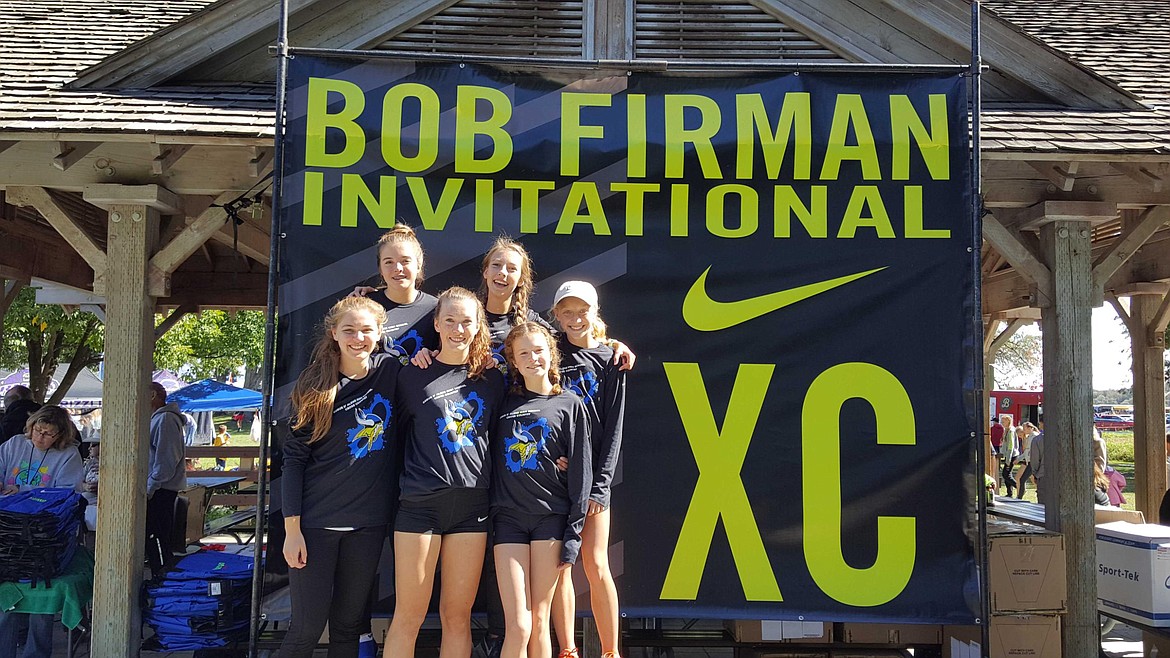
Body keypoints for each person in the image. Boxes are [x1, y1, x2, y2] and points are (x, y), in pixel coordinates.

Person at [276, 296, 400, 658]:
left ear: (379, 334)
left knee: (348, 628)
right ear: (333, 333)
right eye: (349, 330)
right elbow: (293, 461)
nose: (358, 338)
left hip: (369, 527)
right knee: (306, 630)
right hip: (315, 528)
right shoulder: (313, 386)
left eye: (366, 330)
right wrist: (292, 531)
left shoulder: (390, 371)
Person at [386, 287, 506, 658]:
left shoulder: (494, 379)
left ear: (478, 326)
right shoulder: (410, 375)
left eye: (466, 321)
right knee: (409, 616)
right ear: (436, 323)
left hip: (472, 509)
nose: (458, 328)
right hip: (419, 507)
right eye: (449, 320)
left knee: (457, 616)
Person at [493, 323, 591, 658]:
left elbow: (581, 475)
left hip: (550, 520)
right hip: (508, 521)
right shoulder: (502, 403)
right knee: (518, 625)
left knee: (539, 622)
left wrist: (574, 535)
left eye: (538, 350)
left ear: (551, 354)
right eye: (523, 353)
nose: (533, 358)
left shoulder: (570, 404)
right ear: (514, 362)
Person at [549, 281, 627, 658]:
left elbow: (614, 430)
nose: (575, 318)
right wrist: (553, 457)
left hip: (594, 481)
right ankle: (567, 649)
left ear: (595, 313)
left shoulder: (612, 359)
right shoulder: (547, 351)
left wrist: (600, 485)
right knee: (561, 564)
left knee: (596, 564)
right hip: (556, 478)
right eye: (567, 311)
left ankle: (611, 652)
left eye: (583, 311)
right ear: (556, 315)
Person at [0, 405, 84, 658]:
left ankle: (35, 652)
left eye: (48, 434)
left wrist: (24, 492)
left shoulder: (69, 454)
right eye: (38, 430)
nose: (41, 438)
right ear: (30, 427)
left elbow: (67, 493)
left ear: (60, 435)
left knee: (42, 593)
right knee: (7, 592)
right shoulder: (14, 444)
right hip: (10, 529)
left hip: (46, 533)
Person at [146, 382, 187, 574]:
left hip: (161, 489)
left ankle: (162, 577)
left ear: (153, 395)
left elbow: (167, 459)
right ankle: (159, 574)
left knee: (158, 536)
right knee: (154, 536)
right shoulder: (157, 419)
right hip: (157, 487)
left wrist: (150, 486)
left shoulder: (166, 420)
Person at [1013, 422, 1038, 499]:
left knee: (1023, 479)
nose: (1023, 430)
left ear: (1030, 428)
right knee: (1031, 479)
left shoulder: (1034, 436)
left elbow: (1032, 450)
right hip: (1029, 461)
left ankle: (1019, 497)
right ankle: (1020, 496)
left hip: (1033, 462)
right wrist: (1019, 459)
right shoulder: (1029, 436)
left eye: (1024, 428)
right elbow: (1027, 451)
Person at [999, 415, 1019, 497]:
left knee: (1005, 474)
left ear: (1008, 421)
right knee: (1007, 474)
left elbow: (1011, 446)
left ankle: (1018, 487)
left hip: (1011, 455)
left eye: (1003, 421)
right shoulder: (1006, 430)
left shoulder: (1011, 431)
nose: (1002, 423)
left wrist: (1008, 460)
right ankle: (1009, 493)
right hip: (1008, 455)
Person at [1030, 415, 1046, 505]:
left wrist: (1035, 474)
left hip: (1043, 475)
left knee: (1042, 506)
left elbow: (1035, 460)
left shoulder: (1037, 440)